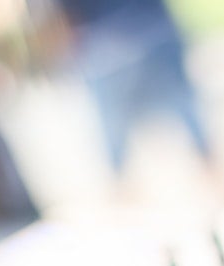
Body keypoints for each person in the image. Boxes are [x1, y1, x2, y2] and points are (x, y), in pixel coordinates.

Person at [52, 0, 210, 173]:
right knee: (190, 117)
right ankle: (214, 170)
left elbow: (66, 18)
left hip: (107, 47)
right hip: (148, 31)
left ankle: (212, 168)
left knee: (115, 140)